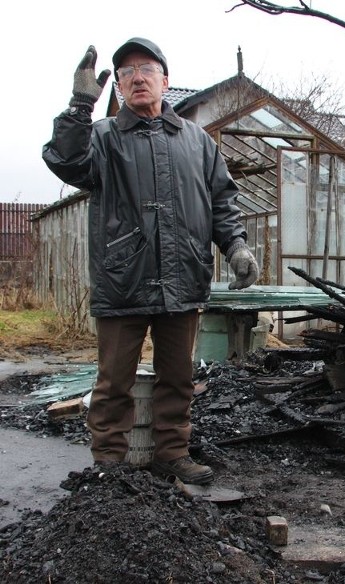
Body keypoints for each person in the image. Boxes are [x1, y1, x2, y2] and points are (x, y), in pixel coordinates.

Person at [42, 38, 259, 484]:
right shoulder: (102, 138)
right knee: (114, 383)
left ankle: (171, 453)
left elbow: (221, 200)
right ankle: (108, 463)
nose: (137, 77)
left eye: (146, 69)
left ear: (166, 80)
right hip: (124, 277)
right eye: (126, 73)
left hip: (182, 277)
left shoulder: (196, 141)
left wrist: (236, 246)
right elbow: (65, 160)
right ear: (118, 87)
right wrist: (81, 105)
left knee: (177, 378)